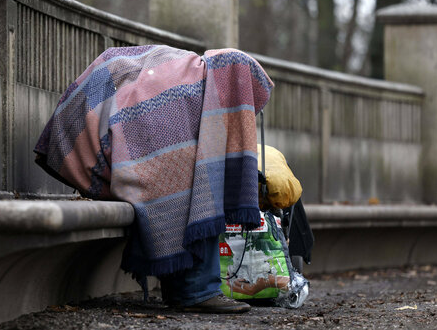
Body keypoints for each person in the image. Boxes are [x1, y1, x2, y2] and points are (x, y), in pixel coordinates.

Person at [35, 45, 274, 314]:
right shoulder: (187, 88)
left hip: (95, 119)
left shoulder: (195, 78)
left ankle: (192, 288)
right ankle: (196, 290)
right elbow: (161, 152)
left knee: (198, 182)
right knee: (196, 188)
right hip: (88, 133)